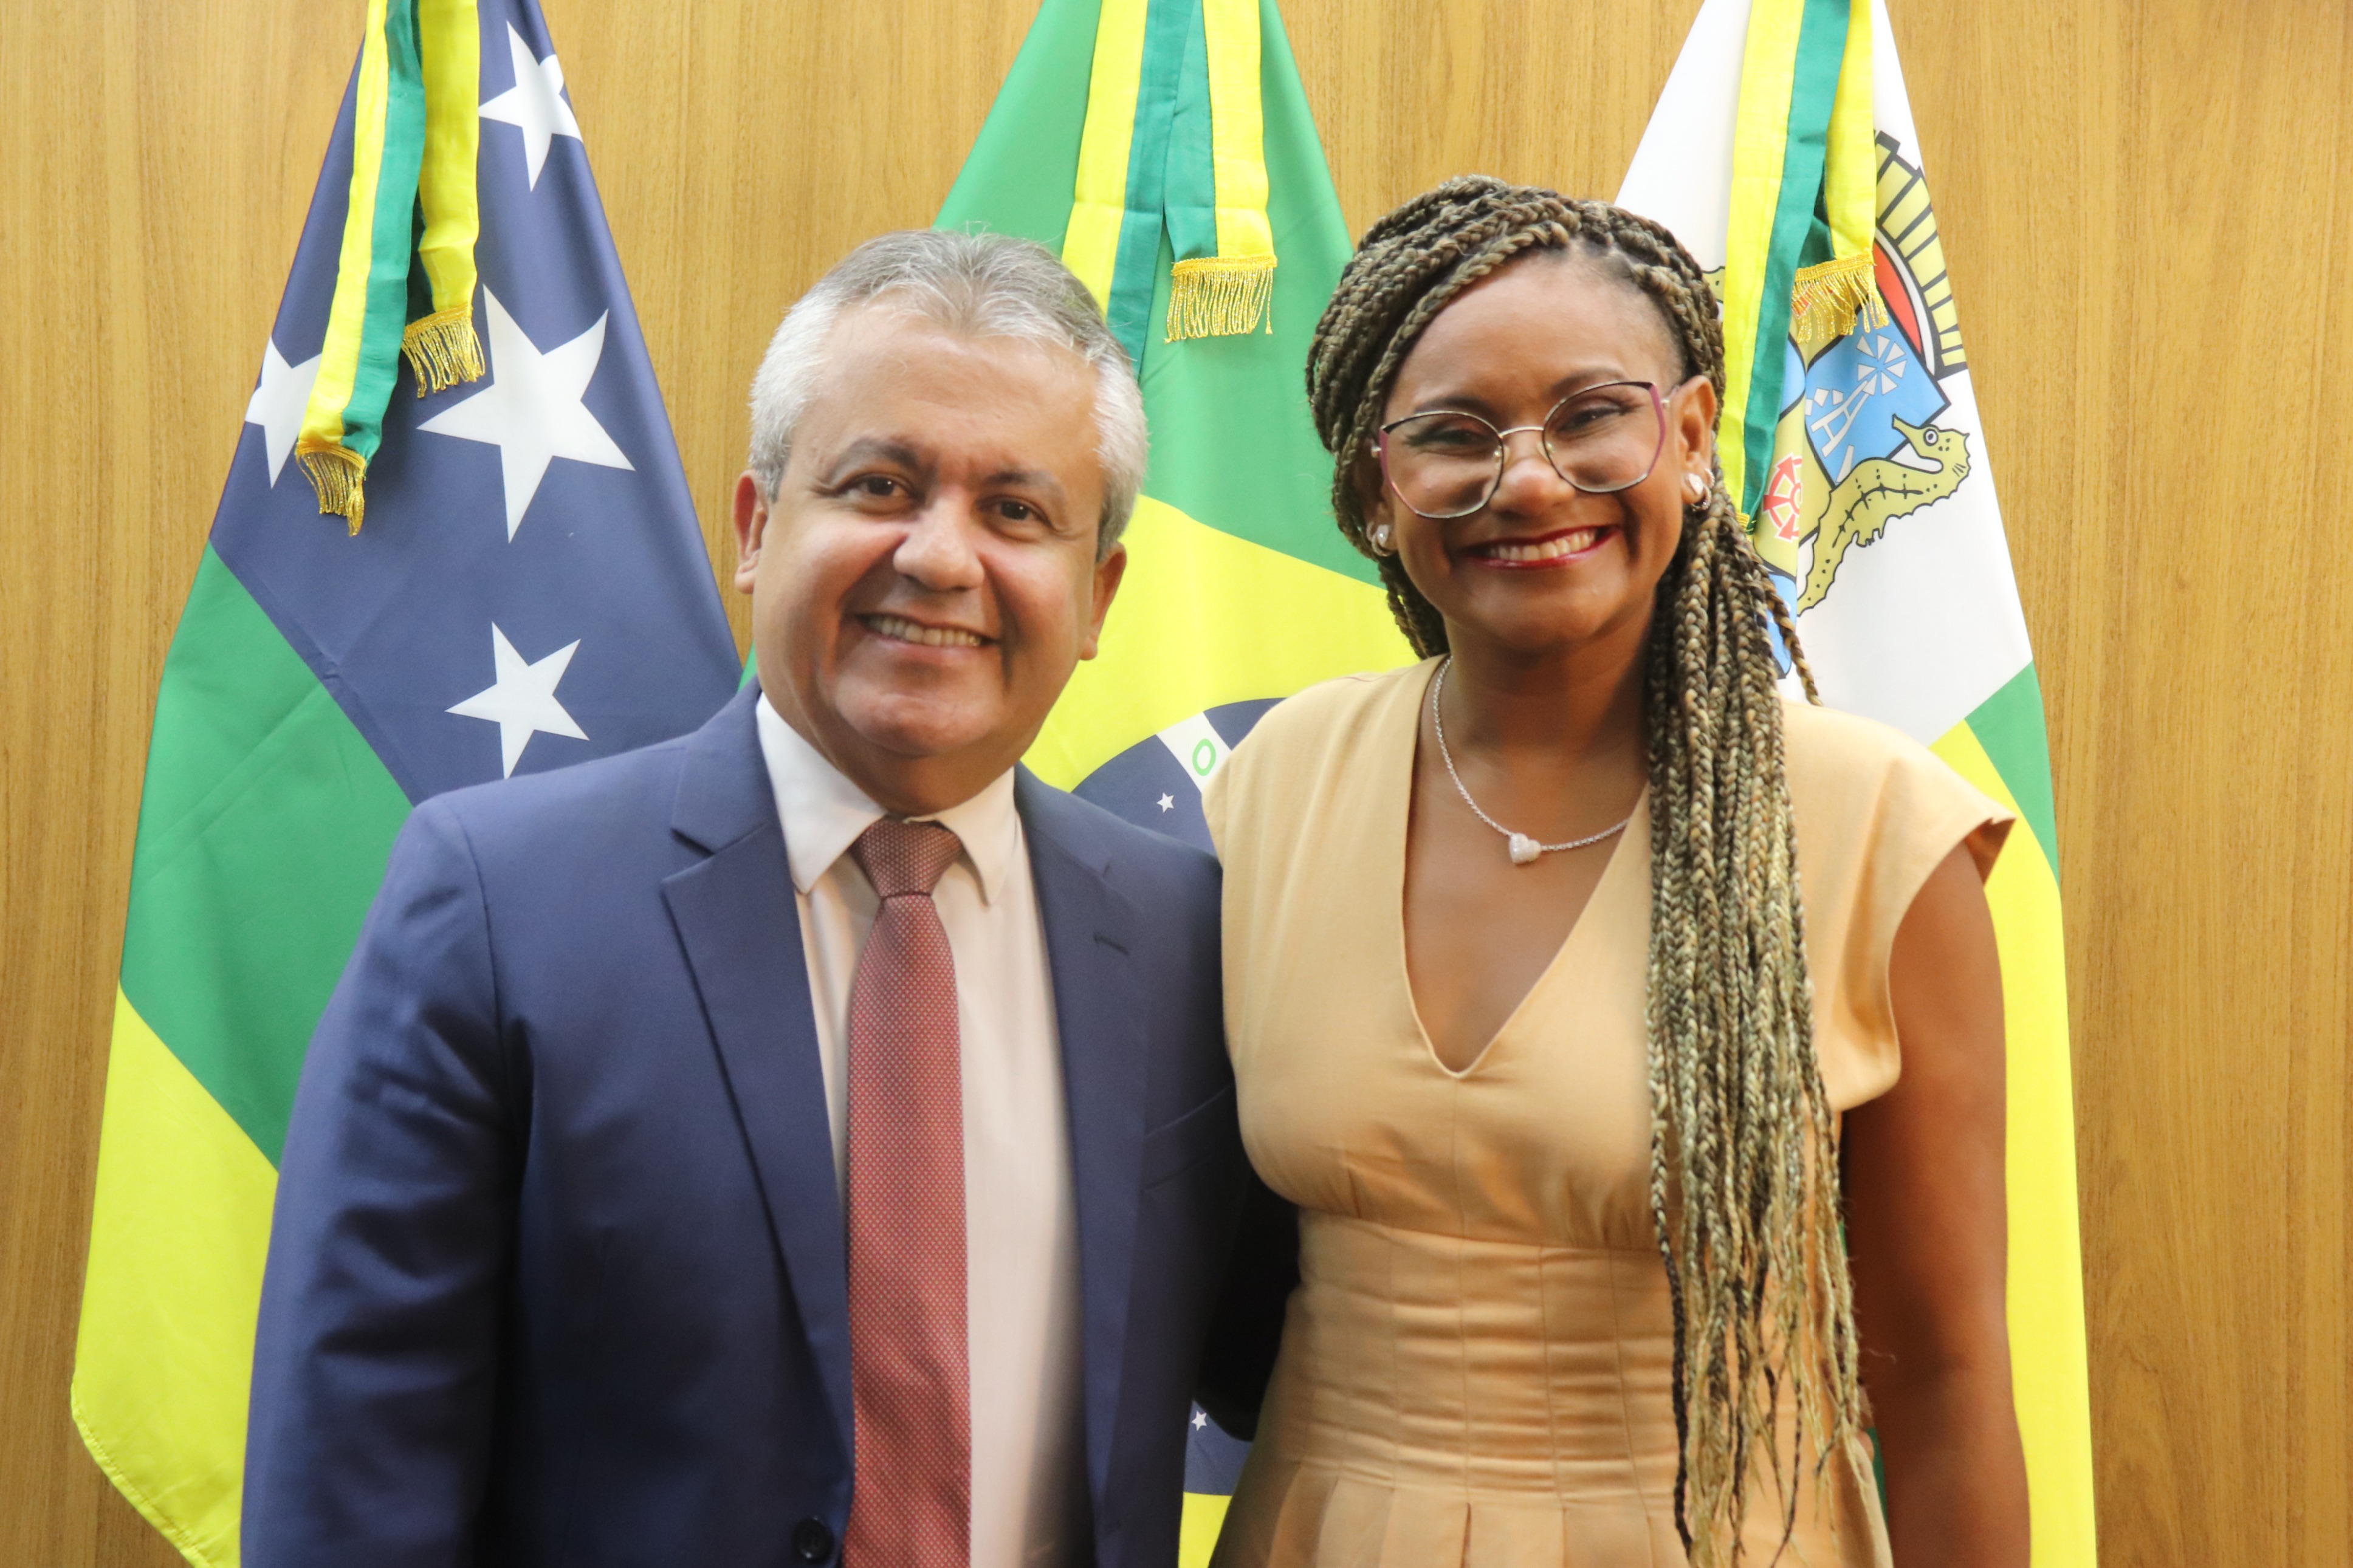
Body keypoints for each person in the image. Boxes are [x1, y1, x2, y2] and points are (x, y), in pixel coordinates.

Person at [244, 230, 1255, 1568]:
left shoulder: (1190, 934)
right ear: (757, 527)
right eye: (880, 484)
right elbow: (353, 1486)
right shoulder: (493, 907)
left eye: (1017, 512)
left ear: (1097, 593)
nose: (940, 556)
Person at [1201, 179, 2030, 1568]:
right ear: (1374, 486)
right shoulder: (1276, 785)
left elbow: (1944, 1387)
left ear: (1690, 437)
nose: (1527, 479)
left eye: (1591, 415)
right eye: (1452, 435)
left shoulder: (1869, 830)